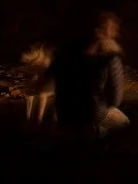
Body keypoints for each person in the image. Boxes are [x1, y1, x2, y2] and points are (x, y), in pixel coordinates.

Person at [49, 11, 130, 140]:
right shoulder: (110, 55)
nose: (116, 34)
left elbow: (49, 77)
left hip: (64, 112)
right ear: (107, 31)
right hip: (91, 114)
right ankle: (96, 132)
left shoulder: (66, 50)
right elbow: (115, 100)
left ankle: (73, 132)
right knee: (125, 123)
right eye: (114, 30)